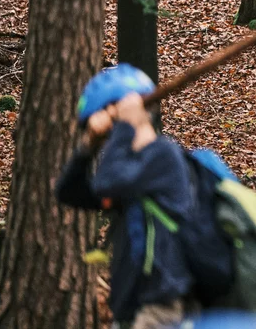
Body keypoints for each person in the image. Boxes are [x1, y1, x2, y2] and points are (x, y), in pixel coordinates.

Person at [56, 64, 196, 329]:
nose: (110, 141)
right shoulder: (129, 174)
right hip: (130, 306)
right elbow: (68, 192)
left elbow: (107, 181)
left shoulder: (162, 156)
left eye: (111, 132)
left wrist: (125, 125)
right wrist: (88, 146)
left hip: (160, 306)